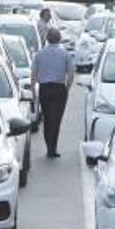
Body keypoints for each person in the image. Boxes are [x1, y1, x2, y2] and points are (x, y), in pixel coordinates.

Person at [31, 28, 74, 158]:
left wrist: (34, 92)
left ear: (47, 39)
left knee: (47, 118)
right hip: (59, 89)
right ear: (59, 39)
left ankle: (49, 146)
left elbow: (33, 75)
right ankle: (52, 147)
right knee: (56, 120)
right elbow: (71, 75)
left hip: (44, 88)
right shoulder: (65, 54)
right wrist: (67, 88)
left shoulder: (39, 54)